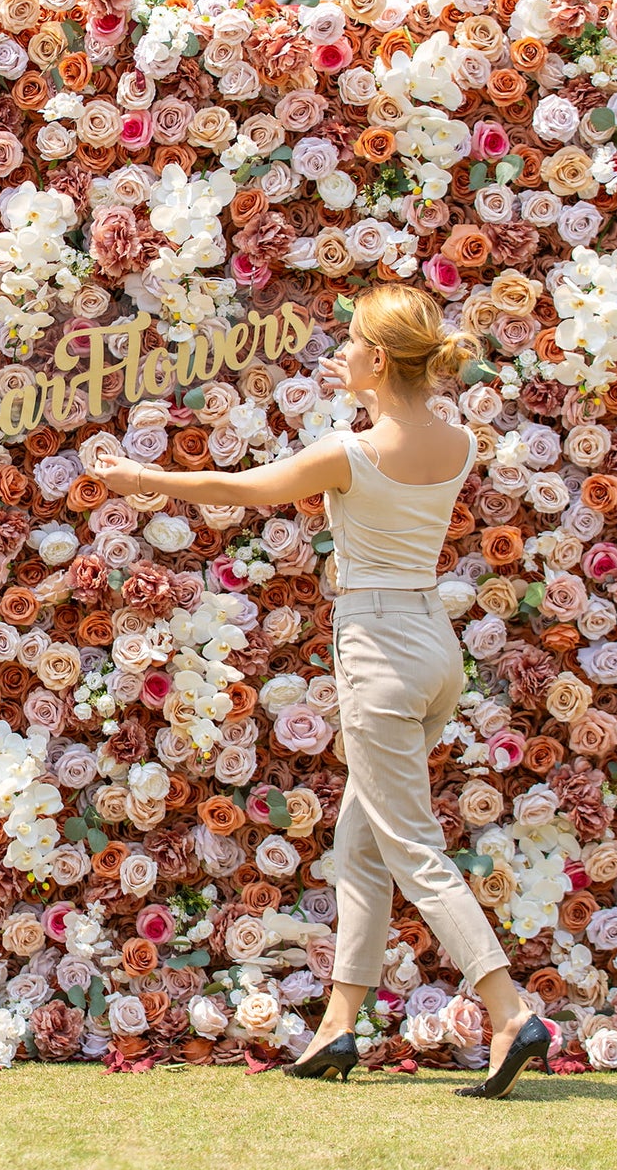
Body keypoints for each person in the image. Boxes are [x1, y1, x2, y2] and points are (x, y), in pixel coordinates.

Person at [96, 283, 551, 1099]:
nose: (336, 354)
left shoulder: (352, 451)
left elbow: (243, 490)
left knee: (411, 848)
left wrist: (141, 477)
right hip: (434, 645)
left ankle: (508, 1010)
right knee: (361, 843)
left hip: (379, 647)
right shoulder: (462, 443)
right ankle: (339, 1028)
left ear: (378, 361)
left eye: (348, 343)